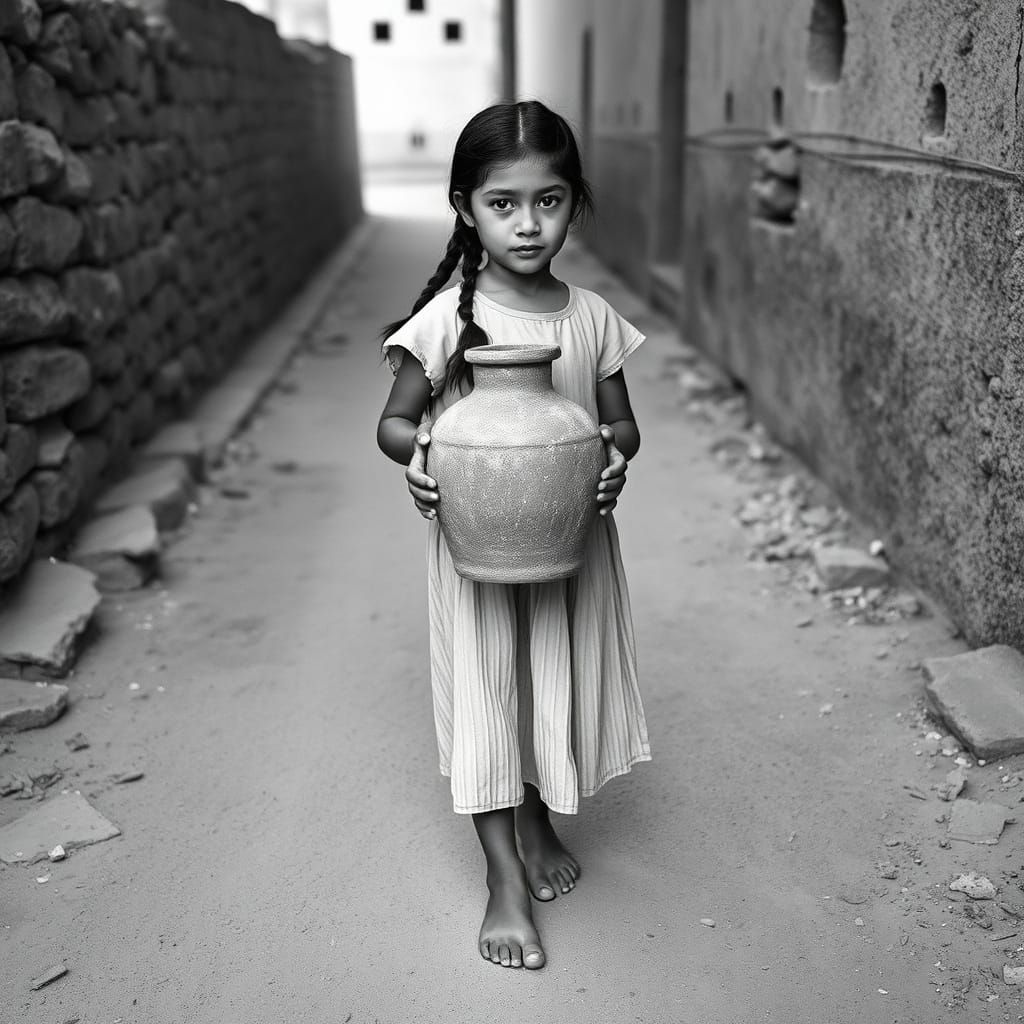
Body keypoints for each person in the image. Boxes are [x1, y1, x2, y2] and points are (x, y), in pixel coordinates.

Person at [376, 99, 651, 971]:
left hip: (574, 542)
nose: (528, 224)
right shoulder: (445, 321)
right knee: (490, 697)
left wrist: (615, 461)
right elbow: (394, 423)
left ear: (575, 203)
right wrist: (418, 456)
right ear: (465, 208)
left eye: (550, 200)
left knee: (551, 689)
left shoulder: (592, 317)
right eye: (503, 203)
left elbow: (622, 425)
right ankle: (501, 876)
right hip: (477, 549)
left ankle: (536, 809)